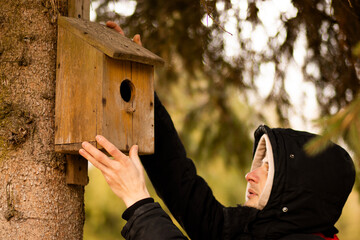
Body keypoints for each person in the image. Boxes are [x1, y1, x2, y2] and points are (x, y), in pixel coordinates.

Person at [79, 22, 356, 240]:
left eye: (269, 170)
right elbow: (182, 186)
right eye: (261, 164)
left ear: (298, 190)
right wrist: (139, 93)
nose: (251, 174)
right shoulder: (256, 230)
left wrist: (137, 201)